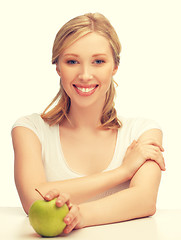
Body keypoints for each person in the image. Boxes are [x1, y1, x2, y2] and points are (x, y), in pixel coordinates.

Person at [11, 12, 165, 235]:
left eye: (98, 61)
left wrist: (80, 216)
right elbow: (33, 199)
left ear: (114, 67)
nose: (85, 75)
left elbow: (145, 199)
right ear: (58, 67)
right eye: (72, 61)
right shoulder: (29, 129)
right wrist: (123, 171)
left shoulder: (143, 131)